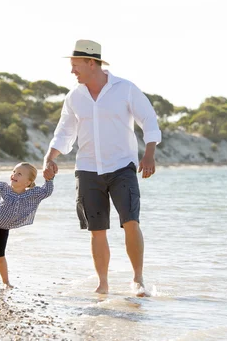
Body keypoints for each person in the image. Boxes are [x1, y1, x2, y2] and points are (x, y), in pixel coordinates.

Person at [43, 40, 161, 296]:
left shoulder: (125, 89)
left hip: (122, 167)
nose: (72, 71)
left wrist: (149, 153)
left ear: (91, 63)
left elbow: (148, 119)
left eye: (76, 65)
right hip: (87, 169)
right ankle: (103, 283)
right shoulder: (74, 96)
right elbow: (65, 131)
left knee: (131, 222)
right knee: (97, 230)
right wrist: (50, 157)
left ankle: (138, 279)